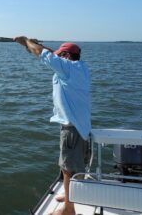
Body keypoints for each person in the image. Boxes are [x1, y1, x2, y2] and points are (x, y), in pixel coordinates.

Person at [14, 36, 91, 215]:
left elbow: (43, 54)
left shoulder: (66, 68)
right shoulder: (80, 67)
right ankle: (69, 195)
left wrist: (25, 41)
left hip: (72, 128)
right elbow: (45, 52)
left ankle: (68, 210)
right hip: (81, 127)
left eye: (60, 55)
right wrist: (32, 45)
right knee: (72, 166)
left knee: (67, 168)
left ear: (65, 55)